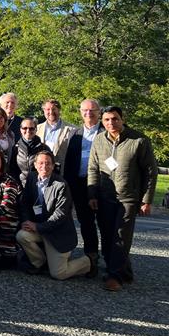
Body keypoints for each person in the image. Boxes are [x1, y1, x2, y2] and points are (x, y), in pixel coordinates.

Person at [87, 106, 157, 291]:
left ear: (122, 118)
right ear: (102, 122)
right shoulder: (99, 140)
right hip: (104, 196)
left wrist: (146, 200)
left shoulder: (139, 140)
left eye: (115, 119)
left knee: (121, 237)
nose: (111, 123)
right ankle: (122, 271)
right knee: (107, 235)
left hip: (128, 198)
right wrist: (92, 194)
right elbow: (93, 168)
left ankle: (114, 276)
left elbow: (150, 172)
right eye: (107, 120)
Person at [17, 150, 92, 280]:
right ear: (35, 165)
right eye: (40, 163)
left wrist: (38, 227)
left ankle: (88, 262)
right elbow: (25, 204)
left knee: (58, 274)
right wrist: (26, 221)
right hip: (40, 229)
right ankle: (40, 262)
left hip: (57, 233)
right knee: (22, 236)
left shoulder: (61, 185)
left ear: (53, 166)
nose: (44, 167)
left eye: (48, 163)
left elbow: (60, 215)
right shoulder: (31, 178)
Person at [63, 99, 102, 271]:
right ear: (80, 112)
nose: (88, 113)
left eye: (92, 110)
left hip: (102, 185)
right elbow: (69, 162)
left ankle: (114, 260)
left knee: (106, 224)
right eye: (85, 110)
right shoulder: (75, 134)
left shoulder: (105, 132)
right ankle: (91, 258)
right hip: (78, 184)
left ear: (99, 112)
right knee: (86, 222)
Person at [36, 99, 76, 175]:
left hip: (62, 172)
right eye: (48, 109)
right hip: (42, 171)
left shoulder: (72, 129)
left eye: (54, 109)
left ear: (59, 110)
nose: (51, 112)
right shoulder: (37, 129)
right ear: (44, 111)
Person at [9, 117, 46, 187]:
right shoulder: (15, 148)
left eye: (31, 128)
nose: (28, 131)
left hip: (40, 186)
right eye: (25, 128)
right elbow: (12, 171)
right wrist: (18, 186)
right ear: (20, 130)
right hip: (21, 187)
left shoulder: (44, 148)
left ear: (36, 130)